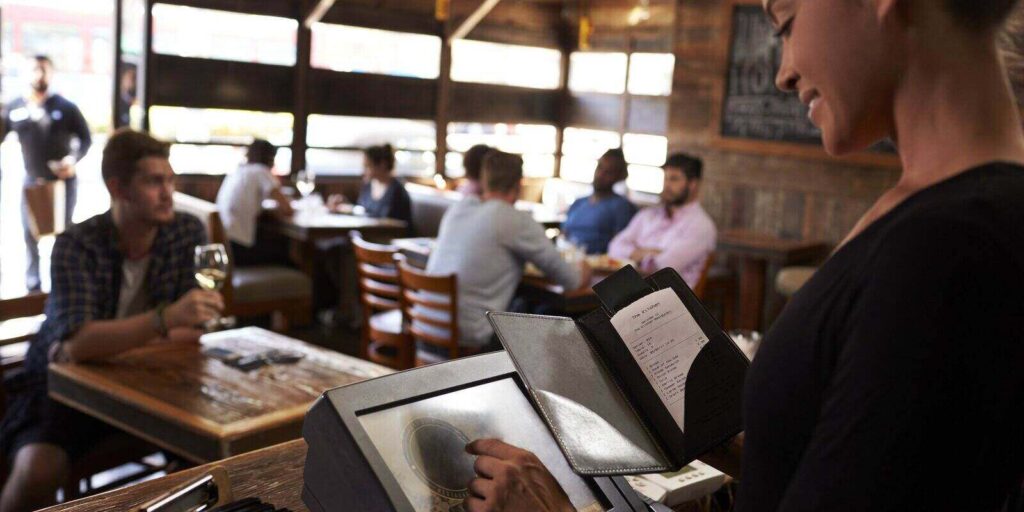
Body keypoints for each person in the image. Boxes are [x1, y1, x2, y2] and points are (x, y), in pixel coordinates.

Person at [462, 0, 1024, 510]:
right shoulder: (933, 209)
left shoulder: (950, 246)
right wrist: (708, 436)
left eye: (785, 23)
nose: (784, 71)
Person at [0, 129, 224, 512]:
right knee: (37, 471)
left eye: (170, 180)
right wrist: (164, 319)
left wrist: (111, 341)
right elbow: (75, 347)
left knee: (217, 456)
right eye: (155, 182)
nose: (169, 192)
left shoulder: (186, 232)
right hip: (65, 390)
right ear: (118, 188)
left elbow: (195, 330)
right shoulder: (78, 244)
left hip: (152, 382)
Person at [426, 151, 591, 353]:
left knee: (522, 308)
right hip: (467, 342)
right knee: (546, 333)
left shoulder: (459, 208)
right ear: (519, 185)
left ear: (484, 181)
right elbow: (571, 281)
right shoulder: (515, 220)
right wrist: (585, 266)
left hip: (424, 329)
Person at [1, 55, 92, 291]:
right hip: (33, 180)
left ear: (51, 73)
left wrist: (73, 160)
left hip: (62, 181)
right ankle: (34, 288)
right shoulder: (15, 107)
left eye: (43, 70)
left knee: (64, 234)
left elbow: (86, 138)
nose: (39, 75)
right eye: (35, 70)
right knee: (29, 233)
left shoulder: (65, 106)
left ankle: (64, 283)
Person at [607, 153, 716, 287]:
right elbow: (614, 247)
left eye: (674, 179)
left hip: (671, 301)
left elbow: (663, 267)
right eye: (665, 178)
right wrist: (649, 253)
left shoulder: (701, 226)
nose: (667, 185)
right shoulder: (648, 215)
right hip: (635, 290)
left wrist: (637, 254)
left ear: (693, 184)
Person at [215, 139, 294, 267]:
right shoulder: (261, 171)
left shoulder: (238, 171)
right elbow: (287, 209)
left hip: (225, 244)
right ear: (271, 157)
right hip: (238, 249)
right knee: (288, 253)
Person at [561, 148, 637, 254]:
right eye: (599, 168)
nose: (600, 175)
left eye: (608, 172)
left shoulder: (621, 207)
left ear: (619, 176)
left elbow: (620, 245)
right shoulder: (578, 203)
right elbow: (564, 233)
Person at [357, 144, 412, 225]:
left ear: (383, 164)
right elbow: (361, 209)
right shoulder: (368, 186)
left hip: (390, 235)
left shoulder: (397, 191)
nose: (363, 171)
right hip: (369, 232)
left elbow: (398, 224)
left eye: (367, 166)